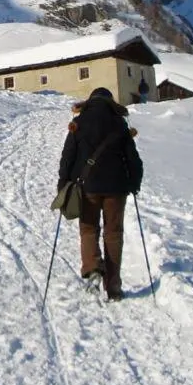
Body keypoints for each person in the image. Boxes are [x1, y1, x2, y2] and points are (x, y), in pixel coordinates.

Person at [57, 86, 143, 301]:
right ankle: (113, 288)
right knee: (114, 234)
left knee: (88, 229)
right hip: (117, 188)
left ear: (90, 101)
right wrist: (134, 183)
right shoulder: (119, 124)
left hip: (87, 186)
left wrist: (63, 183)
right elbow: (133, 159)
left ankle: (93, 266)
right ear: (110, 102)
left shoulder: (79, 122)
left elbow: (67, 156)